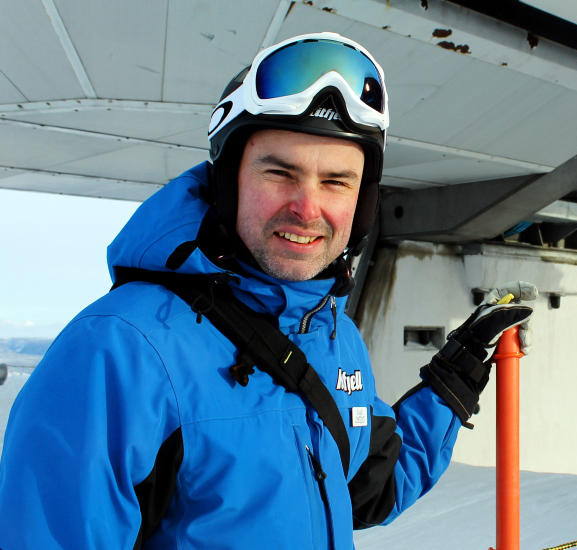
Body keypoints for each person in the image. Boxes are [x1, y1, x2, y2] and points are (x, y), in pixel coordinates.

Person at [0, 32, 534, 549]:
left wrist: (456, 374)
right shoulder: (118, 353)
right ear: (228, 181)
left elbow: (370, 489)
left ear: (362, 201)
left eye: (336, 182)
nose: (307, 208)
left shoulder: (332, 337)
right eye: (280, 173)